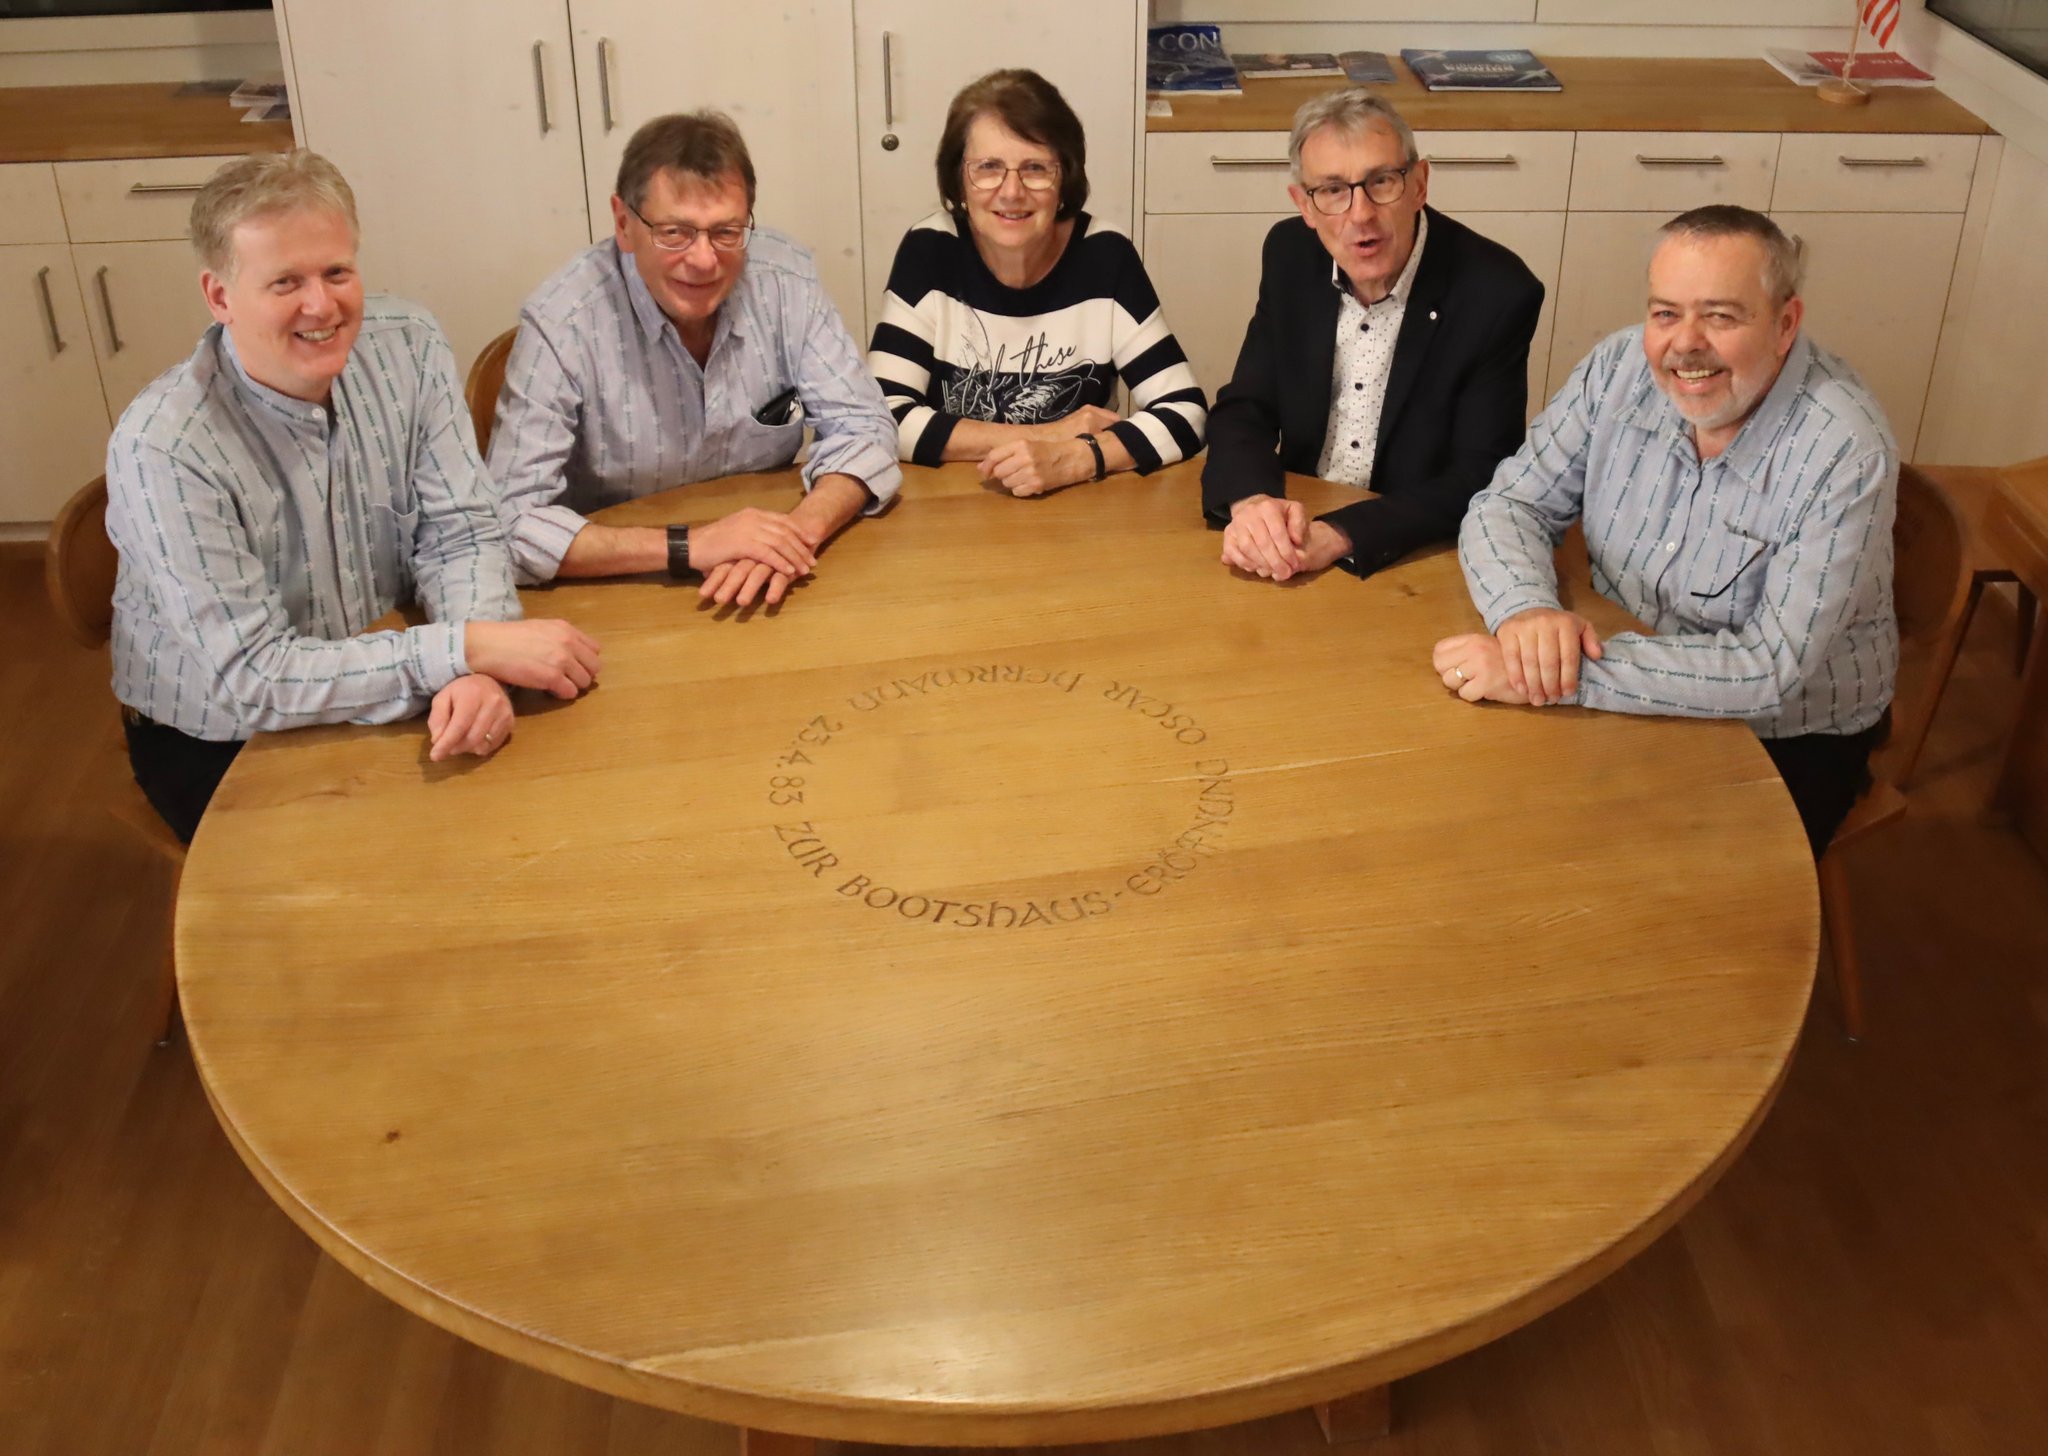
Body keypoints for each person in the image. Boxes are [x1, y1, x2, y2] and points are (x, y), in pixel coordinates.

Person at [105, 150, 601, 843]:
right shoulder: (163, 448)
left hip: (381, 665)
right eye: (285, 282)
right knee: (405, 868)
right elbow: (255, 677)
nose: (321, 305)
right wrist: (464, 650)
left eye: (336, 272)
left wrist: (474, 672)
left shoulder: (410, 346)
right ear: (220, 297)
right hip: (221, 737)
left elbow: (460, 532)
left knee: (540, 820)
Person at [1439, 205, 1897, 856]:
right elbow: (1510, 503)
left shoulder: (1844, 448)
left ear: (1785, 324)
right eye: (1665, 313)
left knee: (1642, 883)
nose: (1685, 344)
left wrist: (1558, 674)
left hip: (1786, 734)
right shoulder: (1617, 369)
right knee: (1485, 824)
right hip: (1622, 663)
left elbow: (1770, 670)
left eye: (1720, 316)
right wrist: (1526, 614)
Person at [490, 111, 901, 610]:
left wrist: (794, 536)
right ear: (623, 223)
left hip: (765, 581)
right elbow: (508, 525)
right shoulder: (563, 323)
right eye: (675, 232)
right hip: (620, 594)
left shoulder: (785, 280)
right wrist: (691, 545)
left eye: (726, 232)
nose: (705, 261)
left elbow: (865, 426)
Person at [1202, 89, 1543, 582]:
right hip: (1294, 526)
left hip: (1411, 549)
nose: (1360, 214)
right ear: (1304, 205)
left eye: (1382, 181)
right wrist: (1252, 502)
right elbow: (1245, 407)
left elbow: (1481, 473)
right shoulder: (1289, 254)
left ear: (1420, 184)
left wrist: (1340, 534)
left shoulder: (1497, 292)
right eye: (1332, 190)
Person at [866, 68, 1206, 495]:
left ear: (1065, 179)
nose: (1011, 191)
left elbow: (1187, 413)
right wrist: (1049, 435)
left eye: (1035, 168)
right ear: (959, 180)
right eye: (988, 167)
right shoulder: (931, 250)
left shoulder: (1104, 255)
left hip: (1078, 502)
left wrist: (1079, 457)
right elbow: (879, 418)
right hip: (955, 502)